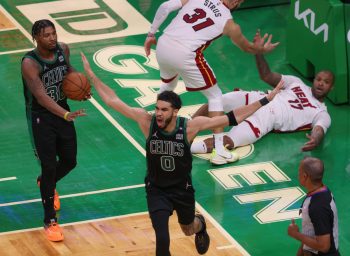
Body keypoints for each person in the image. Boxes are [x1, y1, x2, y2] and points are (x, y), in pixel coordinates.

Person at [81, 52, 281, 255]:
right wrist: (91, 75)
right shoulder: (147, 122)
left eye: (164, 110)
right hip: (156, 189)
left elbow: (230, 118)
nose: (158, 113)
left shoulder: (189, 128)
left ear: (175, 112)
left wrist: (264, 101)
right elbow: (113, 100)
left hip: (182, 190)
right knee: (162, 239)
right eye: (157, 108)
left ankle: (200, 225)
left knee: (188, 229)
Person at [144, 0, 279, 165]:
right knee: (215, 96)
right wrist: (260, 49)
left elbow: (165, 6)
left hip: (164, 44)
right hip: (186, 53)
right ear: (237, 3)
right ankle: (220, 151)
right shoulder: (230, 25)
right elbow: (247, 48)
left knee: (168, 85)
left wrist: (151, 34)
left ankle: (159, 129)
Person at [190, 31, 334, 155]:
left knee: (227, 142)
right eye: (319, 79)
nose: (321, 83)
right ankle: (184, 129)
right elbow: (267, 76)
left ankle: (185, 147)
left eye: (326, 82)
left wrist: (315, 139)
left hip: (268, 118)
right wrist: (258, 52)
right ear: (313, 80)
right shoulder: (296, 83)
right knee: (218, 102)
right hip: (258, 98)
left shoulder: (321, 113)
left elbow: (319, 129)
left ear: (331, 88)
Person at [21, 19, 86, 242]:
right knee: (49, 166)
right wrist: (65, 114)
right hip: (41, 118)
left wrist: (82, 85)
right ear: (36, 38)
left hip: (63, 111)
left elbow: (69, 70)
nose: (52, 38)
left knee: (70, 160)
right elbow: (40, 95)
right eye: (46, 35)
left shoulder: (63, 49)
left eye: (54, 33)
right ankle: (50, 221)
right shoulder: (30, 63)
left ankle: (45, 182)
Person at [287, 157, 340, 256]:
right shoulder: (321, 191)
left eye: (299, 172)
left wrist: (296, 234)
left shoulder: (318, 207)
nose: (298, 175)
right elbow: (311, 231)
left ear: (305, 176)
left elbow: (324, 246)